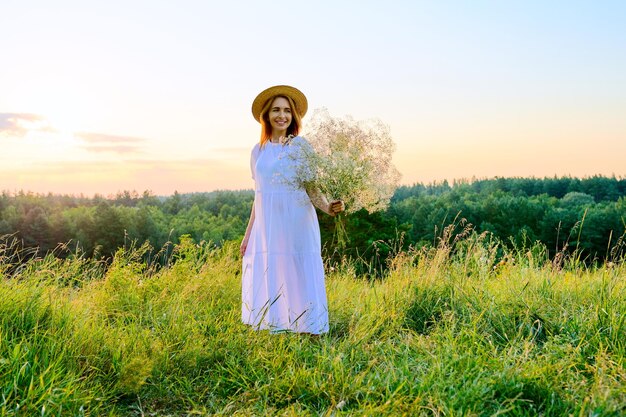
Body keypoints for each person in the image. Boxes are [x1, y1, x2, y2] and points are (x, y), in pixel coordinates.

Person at [240, 85, 344, 334]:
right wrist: (247, 235)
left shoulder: (301, 147)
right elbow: (259, 196)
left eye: (287, 110)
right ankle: (276, 327)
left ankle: (309, 330)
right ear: (266, 115)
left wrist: (329, 207)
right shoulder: (258, 151)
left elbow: (312, 189)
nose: (282, 115)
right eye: (276, 110)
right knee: (272, 272)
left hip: (297, 222)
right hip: (268, 227)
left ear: (294, 116)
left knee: (298, 272)